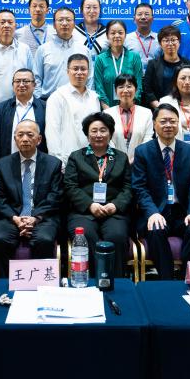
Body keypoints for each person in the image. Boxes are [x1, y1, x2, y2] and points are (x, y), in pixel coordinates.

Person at [132, 105, 190, 279]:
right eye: (163, 121)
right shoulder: (142, 152)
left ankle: (187, 278)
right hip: (156, 211)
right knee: (156, 228)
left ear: (178, 124)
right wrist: (152, 212)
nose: (168, 125)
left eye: (172, 121)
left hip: (182, 212)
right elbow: (140, 188)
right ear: (154, 124)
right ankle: (166, 280)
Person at [0, 119, 62, 277]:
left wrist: (34, 218)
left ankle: (41, 286)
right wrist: (16, 218)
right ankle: (2, 286)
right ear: (15, 139)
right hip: (12, 217)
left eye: (30, 134)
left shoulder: (53, 164)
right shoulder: (3, 165)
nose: (25, 139)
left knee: (44, 240)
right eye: (20, 135)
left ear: (39, 139)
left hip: (42, 218)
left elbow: (54, 197)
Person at [64, 112, 132, 277]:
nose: (98, 134)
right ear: (87, 134)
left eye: (103, 130)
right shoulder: (76, 157)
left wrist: (115, 205)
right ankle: (92, 280)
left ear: (110, 133)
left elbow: (128, 187)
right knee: (85, 235)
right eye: (94, 131)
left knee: (117, 236)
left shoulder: (121, 157)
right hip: (83, 212)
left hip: (113, 212)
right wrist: (90, 205)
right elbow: (70, 186)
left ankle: (115, 281)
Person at [45, 54, 103, 161]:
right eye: (75, 69)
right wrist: (58, 162)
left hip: (92, 158)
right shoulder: (57, 97)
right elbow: (52, 132)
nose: (79, 72)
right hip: (67, 159)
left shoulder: (94, 97)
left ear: (88, 72)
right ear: (68, 71)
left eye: (83, 69)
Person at [0, 68, 47, 166]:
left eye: (26, 81)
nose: (21, 84)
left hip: (38, 164)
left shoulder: (44, 107)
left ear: (34, 85)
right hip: (8, 163)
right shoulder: (2, 107)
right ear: (13, 85)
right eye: (17, 81)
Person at [0, 9, 33, 93]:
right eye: (2, 22)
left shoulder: (25, 49)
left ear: (15, 26)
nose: (6, 25)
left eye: (10, 22)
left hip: (19, 99)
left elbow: (31, 78)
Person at [93, 20, 144, 107]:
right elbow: (99, 88)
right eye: (113, 33)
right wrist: (107, 110)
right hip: (107, 108)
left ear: (125, 35)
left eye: (120, 33)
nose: (117, 36)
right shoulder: (100, 59)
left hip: (131, 107)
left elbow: (138, 85)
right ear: (107, 36)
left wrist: (129, 108)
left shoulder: (135, 57)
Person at [142, 25, 190, 107]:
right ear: (160, 44)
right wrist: (159, 107)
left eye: (173, 40)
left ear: (179, 42)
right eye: (166, 40)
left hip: (184, 107)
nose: (170, 43)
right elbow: (147, 89)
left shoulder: (188, 64)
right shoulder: (153, 64)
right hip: (159, 107)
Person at [34, 7, 79, 98]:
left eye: (68, 20)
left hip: (77, 101)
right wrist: (39, 101)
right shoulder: (43, 49)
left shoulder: (83, 50)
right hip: (47, 101)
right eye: (60, 20)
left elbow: (89, 79)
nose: (64, 23)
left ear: (74, 24)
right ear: (54, 25)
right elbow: (36, 78)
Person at [110, 74, 153, 160]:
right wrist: (120, 160)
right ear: (115, 91)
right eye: (121, 87)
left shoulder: (147, 113)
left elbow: (148, 139)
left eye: (129, 86)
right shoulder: (108, 113)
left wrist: (135, 158)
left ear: (136, 89)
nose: (125, 90)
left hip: (140, 160)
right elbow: (108, 140)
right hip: (115, 161)